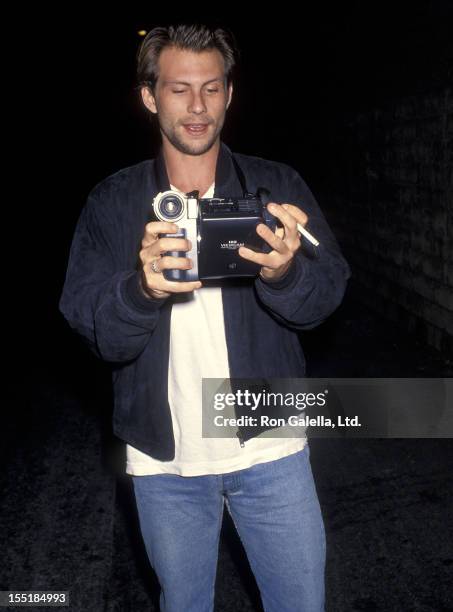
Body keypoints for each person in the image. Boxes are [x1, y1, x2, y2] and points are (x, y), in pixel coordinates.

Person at [59, 22, 350, 612]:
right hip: (164, 461)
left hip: (271, 451)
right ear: (149, 96)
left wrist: (286, 274)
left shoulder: (277, 187)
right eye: (178, 89)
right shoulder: (111, 203)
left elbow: (329, 293)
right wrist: (140, 290)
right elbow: (95, 329)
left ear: (229, 94)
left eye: (211, 88)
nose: (197, 107)